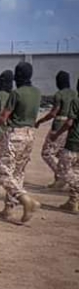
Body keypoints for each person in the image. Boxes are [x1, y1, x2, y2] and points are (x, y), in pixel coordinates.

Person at [0, 62, 42, 224]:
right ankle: (8, 209)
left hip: (14, 135)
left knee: (3, 173)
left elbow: (2, 118)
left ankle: (26, 200)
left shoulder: (16, 93)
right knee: (18, 173)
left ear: (18, 76)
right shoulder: (37, 93)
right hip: (30, 135)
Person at [36, 70, 77, 189]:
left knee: (47, 153)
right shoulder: (74, 94)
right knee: (60, 153)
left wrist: (40, 121)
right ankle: (58, 181)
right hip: (71, 127)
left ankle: (61, 176)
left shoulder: (59, 94)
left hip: (59, 126)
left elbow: (53, 113)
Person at [50, 79, 79, 213]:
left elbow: (69, 123)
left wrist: (57, 134)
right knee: (76, 171)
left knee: (63, 171)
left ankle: (76, 190)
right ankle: (73, 202)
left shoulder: (76, 101)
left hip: (74, 141)